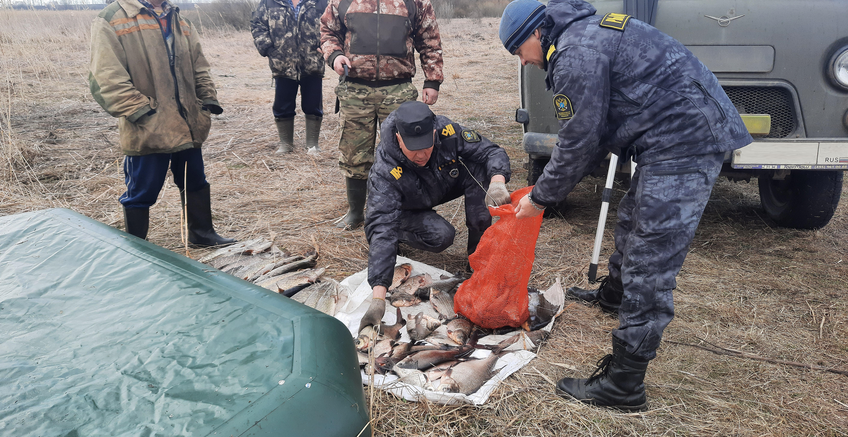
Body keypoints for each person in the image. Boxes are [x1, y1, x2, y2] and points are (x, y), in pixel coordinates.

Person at [499, 0, 753, 411]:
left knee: (651, 258)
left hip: (684, 140)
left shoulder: (573, 53)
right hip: (670, 132)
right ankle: (614, 295)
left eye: (518, 52)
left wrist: (541, 196)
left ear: (533, 33)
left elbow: (579, 140)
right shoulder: (579, 34)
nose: (525, 63)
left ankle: (624, 384)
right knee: (633, 216)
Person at [89, 0, 235, 247]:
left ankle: (202, 235)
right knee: (141, 191)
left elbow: (200, 65)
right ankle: (136, 246)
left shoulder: (180, 20)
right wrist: (142, 112)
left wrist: (206, 101)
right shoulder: (113, 18)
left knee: (195, 181)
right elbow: (106, 76)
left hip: (188, 121)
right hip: (147, 127)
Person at [357, 101, 511, 333]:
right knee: (441, 236)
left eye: (426, 146)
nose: (421, 155)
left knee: (478, 168)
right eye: (413, 148)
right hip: (406, 208)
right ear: (399, 138)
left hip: (440, 186)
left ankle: (478, 256)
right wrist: (378, 298)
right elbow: (381, 226)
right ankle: (401, 233)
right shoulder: (384, 170)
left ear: (433, 132)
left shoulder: (448, 132)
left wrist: (498, 182)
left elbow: (491, 151)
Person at [320, 0, 444, 229]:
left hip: (399, 89)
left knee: (406, 153)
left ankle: (405, 212)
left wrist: (432, 80)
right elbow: (328, 31)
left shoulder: (416, 2)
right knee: (354, 153)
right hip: (355, 89)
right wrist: (335, 55)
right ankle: (356, 213)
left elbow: (430, 40)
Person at [250, 0, 328, 154]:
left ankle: (312, 145)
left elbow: (330, 25)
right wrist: (268, 48)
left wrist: (325, 46)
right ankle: (286, 144)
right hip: (282, 63)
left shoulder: (320, 2)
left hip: (312, 61)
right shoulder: (269, 2)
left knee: (313, 104)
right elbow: (257, 25)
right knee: (282, 104)